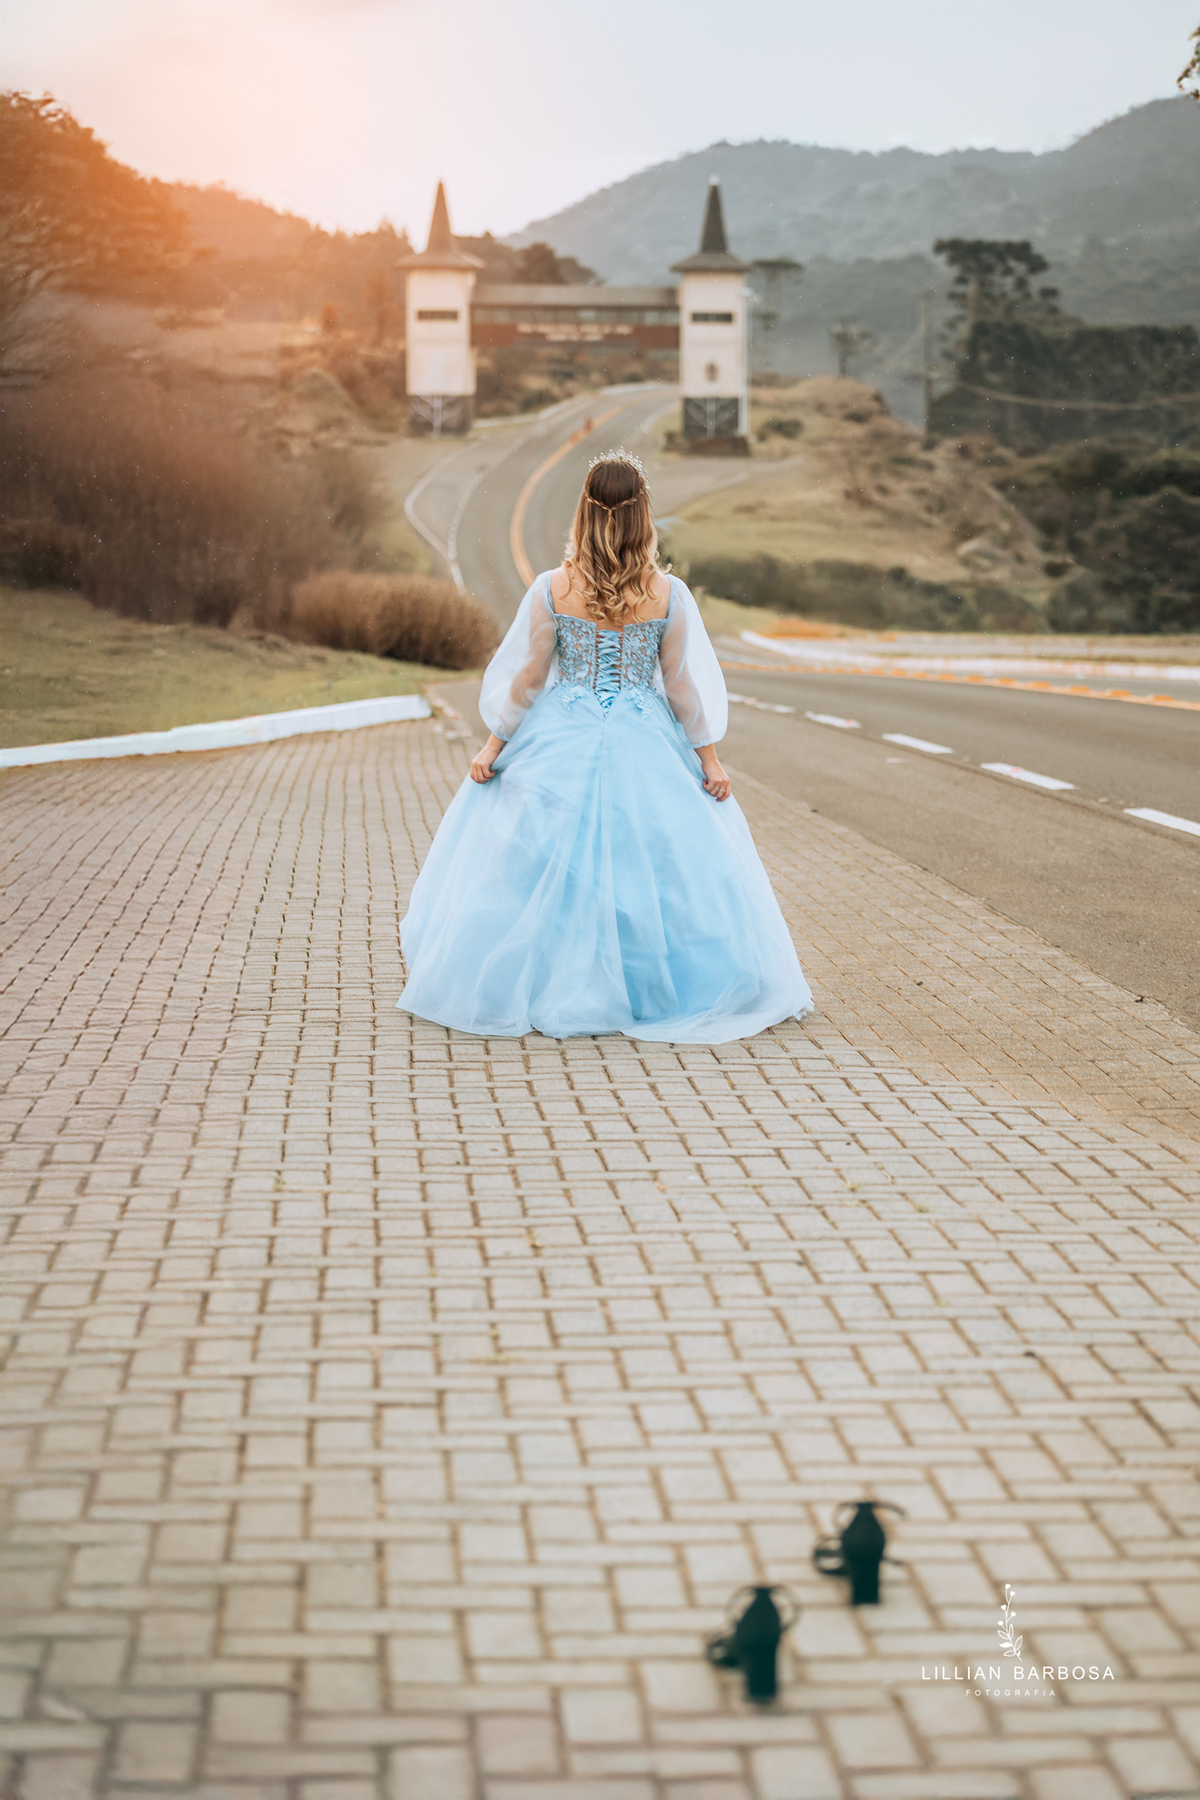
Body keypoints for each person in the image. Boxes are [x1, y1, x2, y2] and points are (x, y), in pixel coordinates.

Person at [396, 449, 813, 1042]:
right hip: (645, 737)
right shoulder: (667, 593)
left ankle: (558, 978)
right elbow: (680, 687)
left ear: (583, 515)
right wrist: (709, 760)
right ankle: (648, 986)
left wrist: (493, 747)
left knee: (549, 860)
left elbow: (528, 679)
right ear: (645, 517)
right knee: (651, 862)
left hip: (560, 734)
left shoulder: (553, 588)